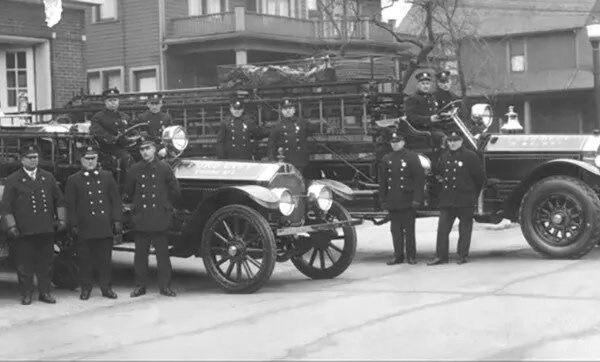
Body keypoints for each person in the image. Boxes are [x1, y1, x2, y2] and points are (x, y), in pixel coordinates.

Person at [0, 144, 67, 305]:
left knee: (46, 264)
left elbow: (59, 201)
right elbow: (6, 207)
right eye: (30, 158)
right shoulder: (13, 179)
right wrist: (11, 226)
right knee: (25, 265)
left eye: (35, 157)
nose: (33, 160)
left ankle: (45, 293)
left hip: (45, 228)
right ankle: (27, 294)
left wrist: (62, 220)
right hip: (24, 230)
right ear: (22, 160)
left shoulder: (47, 177)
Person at [124, 136, 181, 298]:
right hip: (141, 218)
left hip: (159, 217)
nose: (145, 152)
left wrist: (167, 206)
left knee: (162, 256)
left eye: (148, 148)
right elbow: (128, 191)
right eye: (142, 149)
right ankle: (140, 286)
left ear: (155, 150)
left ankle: (165, 286)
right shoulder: (135, 169)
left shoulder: (164, 168)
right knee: (140, 256)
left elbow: (175, 190)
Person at [64, 145, 122, 300]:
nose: (90, 162)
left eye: (93, 159)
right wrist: (73, 224)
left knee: (104, 260)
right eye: (87, 159)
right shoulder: (74, 179)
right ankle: (86, 288)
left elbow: (115, 201)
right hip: (85, 226)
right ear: (81, 160)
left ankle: (106, 288)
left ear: (97, 159)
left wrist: (117, 220)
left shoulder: (107, 176)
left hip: (103, 225)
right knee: (85, 261)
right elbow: (70, 205)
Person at [428, 131, 485, 266]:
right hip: (447, 199)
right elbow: (438, 176)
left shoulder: (471, 156)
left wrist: (473, 195)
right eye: (450, 141)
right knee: (442, 230)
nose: (452, 144)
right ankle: (441, 256)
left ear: (461, 141)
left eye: (455, 140)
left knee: (464, 229)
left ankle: (462, 255)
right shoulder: (444, 156)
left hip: (465, 199)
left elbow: (480, 178)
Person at [378, 133, 425, 265]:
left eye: (398, 141)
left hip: (408, 200)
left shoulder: (411, 156)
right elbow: (383, 182)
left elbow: (419, 180)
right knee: (395, 231)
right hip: (393, 200)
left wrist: (417, 199)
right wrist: (382, 200)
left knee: (409, 230)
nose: (395, 144)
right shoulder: (386, 158)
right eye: (393, 142)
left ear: (403, 142)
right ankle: (398, 256)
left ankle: (411, 256)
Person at [267, 98, 321, 175]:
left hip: (299, 160)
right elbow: (271, 143)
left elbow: (313, 128)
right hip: (284, 160)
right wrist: (271, 160)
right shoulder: (278, 126)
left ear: (294, 110)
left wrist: (322, 124)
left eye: (290, 108)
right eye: (285, 109)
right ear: (282, 111)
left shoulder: (302, 122)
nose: (288, 111)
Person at [90, 88, 134, 178]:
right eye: (110, 100)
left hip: (127, 145)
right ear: (105, 102)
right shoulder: (99, 117)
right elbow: (97, 131)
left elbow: (132, 129)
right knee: (126, 158)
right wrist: (111, 138)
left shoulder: (125, 116)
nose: (113, 102)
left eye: (115, 100)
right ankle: (128, 185)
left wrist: (138, 135)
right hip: (109, 149)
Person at [404, 71, 445, 160]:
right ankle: (439, 162)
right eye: (423, 83)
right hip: (420, 129)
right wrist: (429, 119)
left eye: (427, 83)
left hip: (432, 127)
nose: (426, 86)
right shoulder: (412, 99)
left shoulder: (431, 97)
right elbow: (412, 117)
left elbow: (435, 112)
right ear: (418, 85)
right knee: (441, 137)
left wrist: (443, 115)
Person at [215, 96, 266, 160]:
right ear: (230, 109)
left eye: (239, 109)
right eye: (234, 109)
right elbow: (220, 142)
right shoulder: (225, 123)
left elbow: (259, 133)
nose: (237, 111)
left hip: (245, 156)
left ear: (242, 110)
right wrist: (221, 158)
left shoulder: (248, 121)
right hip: (230, 157)